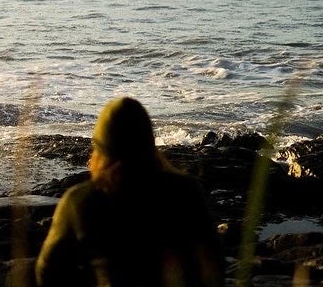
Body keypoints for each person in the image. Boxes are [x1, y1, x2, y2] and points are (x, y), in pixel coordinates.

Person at [35, 97, 223, 287]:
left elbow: (47, 272)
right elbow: (213, 265)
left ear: (100, 149)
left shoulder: (80, 201)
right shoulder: (186, 191)